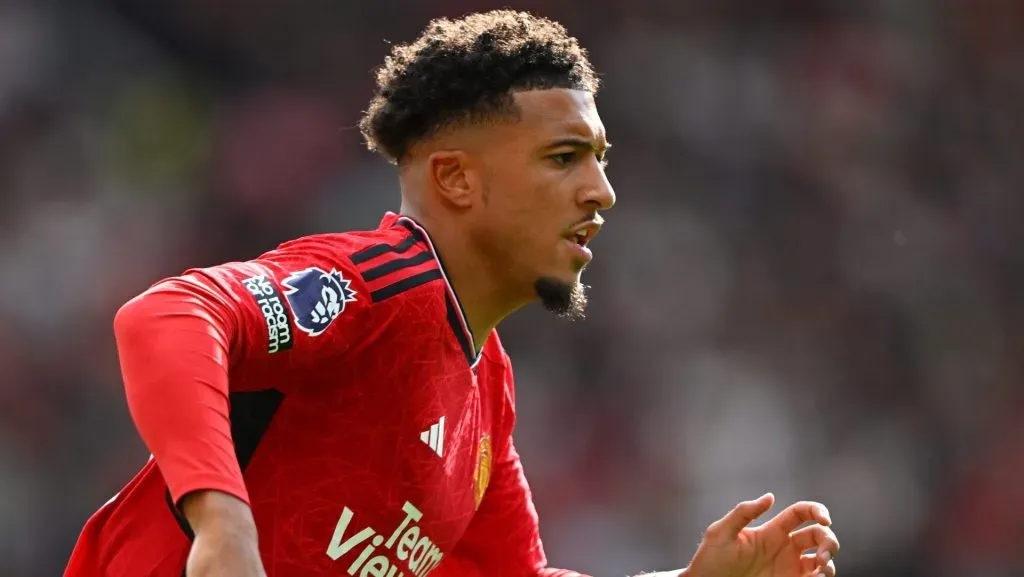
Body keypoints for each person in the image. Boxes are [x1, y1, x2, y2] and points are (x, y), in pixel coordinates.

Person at [64, 9, 839, 577]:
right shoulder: (379, 286)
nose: (601, 191)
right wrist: (224, 525)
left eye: (601, 159)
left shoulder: (486, 391)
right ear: (457, 179)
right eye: (565, 156)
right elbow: (166, 314)